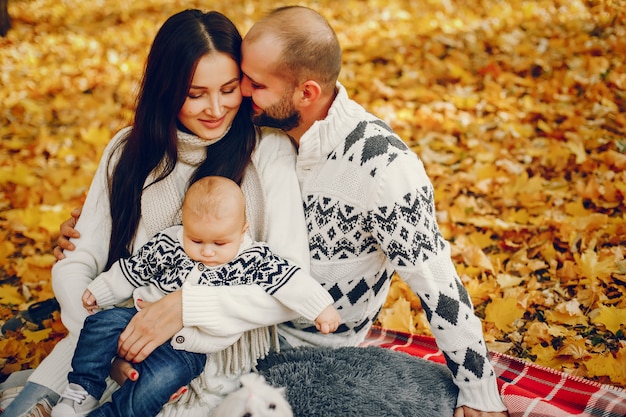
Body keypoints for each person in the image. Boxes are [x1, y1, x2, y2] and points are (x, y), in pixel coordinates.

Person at [57, 5, 510, 417]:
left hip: (286, 344)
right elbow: (95, 251)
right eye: (235, 83)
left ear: (305, 92)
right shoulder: (264, 137)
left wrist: (479, 390)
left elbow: (434, 280)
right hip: (158, 323)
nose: (234, 102)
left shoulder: (378, 168)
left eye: (245, 85)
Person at [2, 9, 315, 417]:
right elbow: (79, 258)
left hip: (213, 357)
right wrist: (100, 343)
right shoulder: (128, 150)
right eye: (194, 93)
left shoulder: (267, 152)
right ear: (166, 90)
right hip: (104, 345)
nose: (216, 108)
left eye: (228, 88)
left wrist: (187, 306)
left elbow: (290, 283)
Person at [50, 176, 339, 417]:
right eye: (196, 240)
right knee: (101, 324)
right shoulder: (170, 242)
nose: (207, 251)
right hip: (141, 316)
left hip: (188, 348)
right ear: (184, 225)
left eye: (220, 242)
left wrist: (320, 307)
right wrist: (101, 290)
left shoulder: (253, 258)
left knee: (157, 384)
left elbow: (289, 279)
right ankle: (83, 389)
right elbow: (135, 269)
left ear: (242, 230)